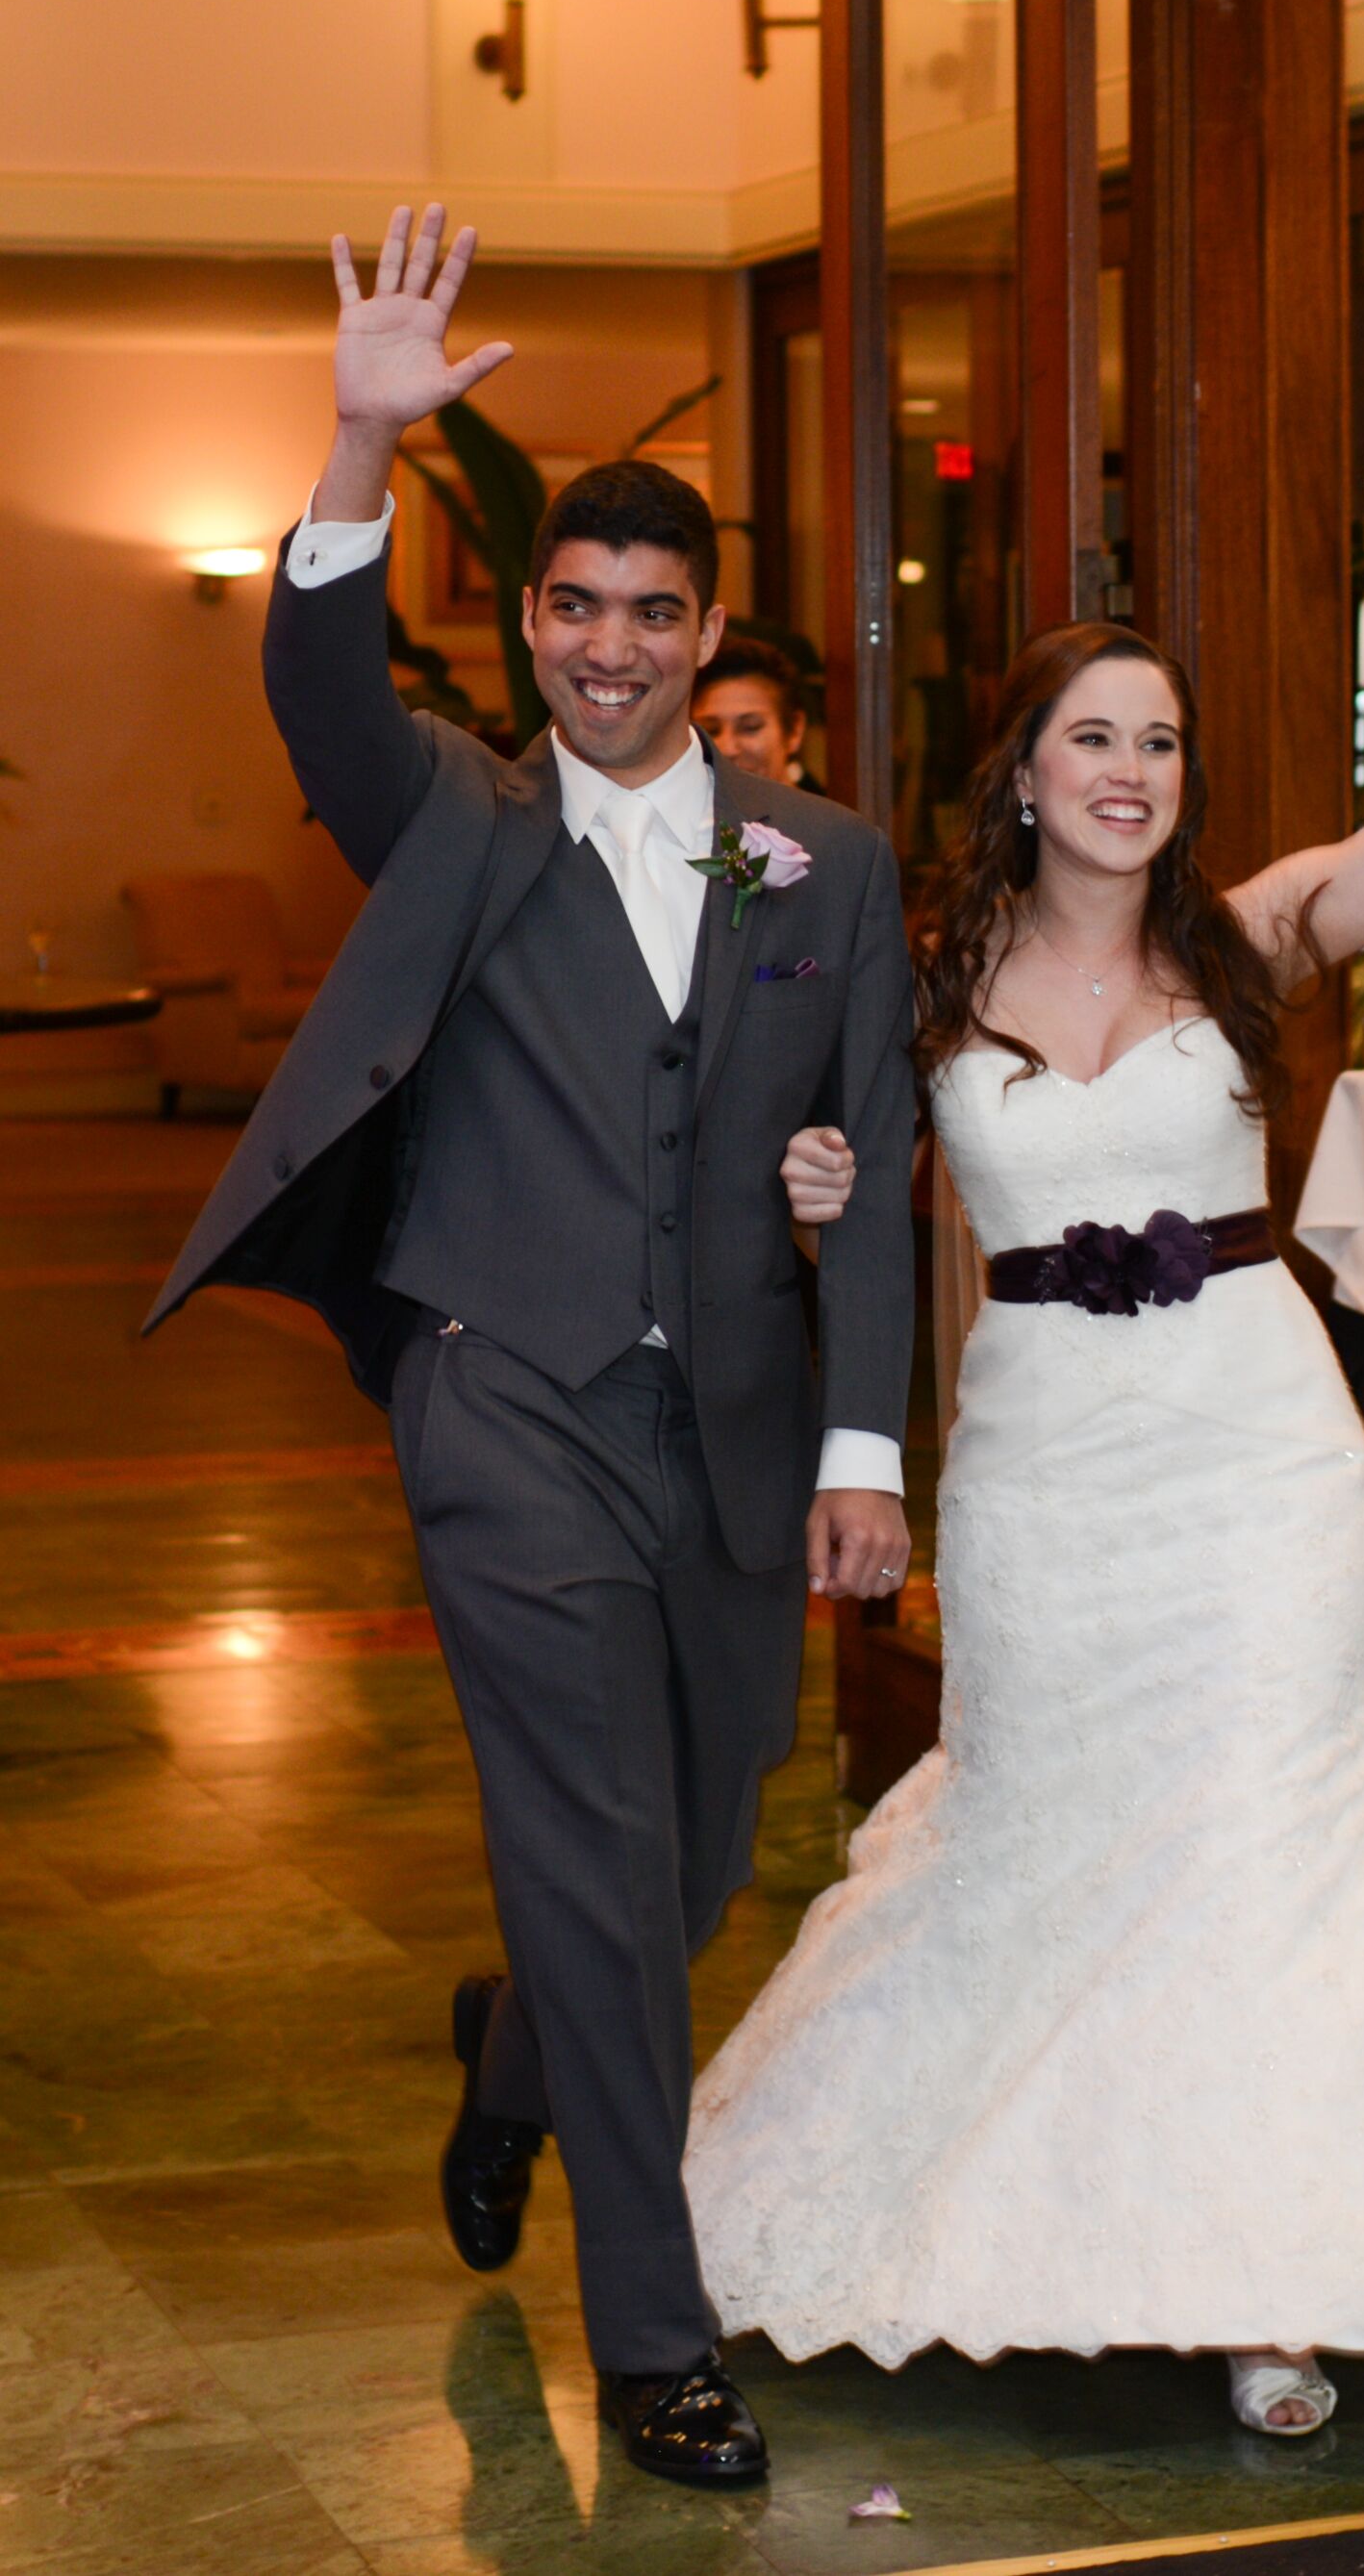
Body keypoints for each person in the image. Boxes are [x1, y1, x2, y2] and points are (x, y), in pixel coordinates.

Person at [684, 498, 1364, 2429]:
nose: (1131, 772)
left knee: (1278, 1841)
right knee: (1044, 1831)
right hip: (1042, 1477)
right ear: (1022, 768)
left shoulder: (1260, 933)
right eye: (1094, 735)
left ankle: (1276, 2287)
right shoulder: (913, 976)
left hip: (1261, 1461)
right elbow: (813, 1186)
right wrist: (816, 1179)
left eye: (1159, 741)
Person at [145, 207, 916, 2490]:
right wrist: (363, 440)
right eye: (567, 606)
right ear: (529, 625)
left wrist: (862, 1445)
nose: (602, 646)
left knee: (677, 1873)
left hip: (740, 1441)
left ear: (703, 642)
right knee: (592, 1843)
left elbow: (866, 1167)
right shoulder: (449, 820)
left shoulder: (826, 869)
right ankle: (660, 2340)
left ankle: (511, 2063)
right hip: (503, 1401)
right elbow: (308, 687)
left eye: (646, 613)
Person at [694, 633, 821, 791]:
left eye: (750, 728)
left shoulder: (825, 815)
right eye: (711, 730)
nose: (728, 748)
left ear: (795, 730)